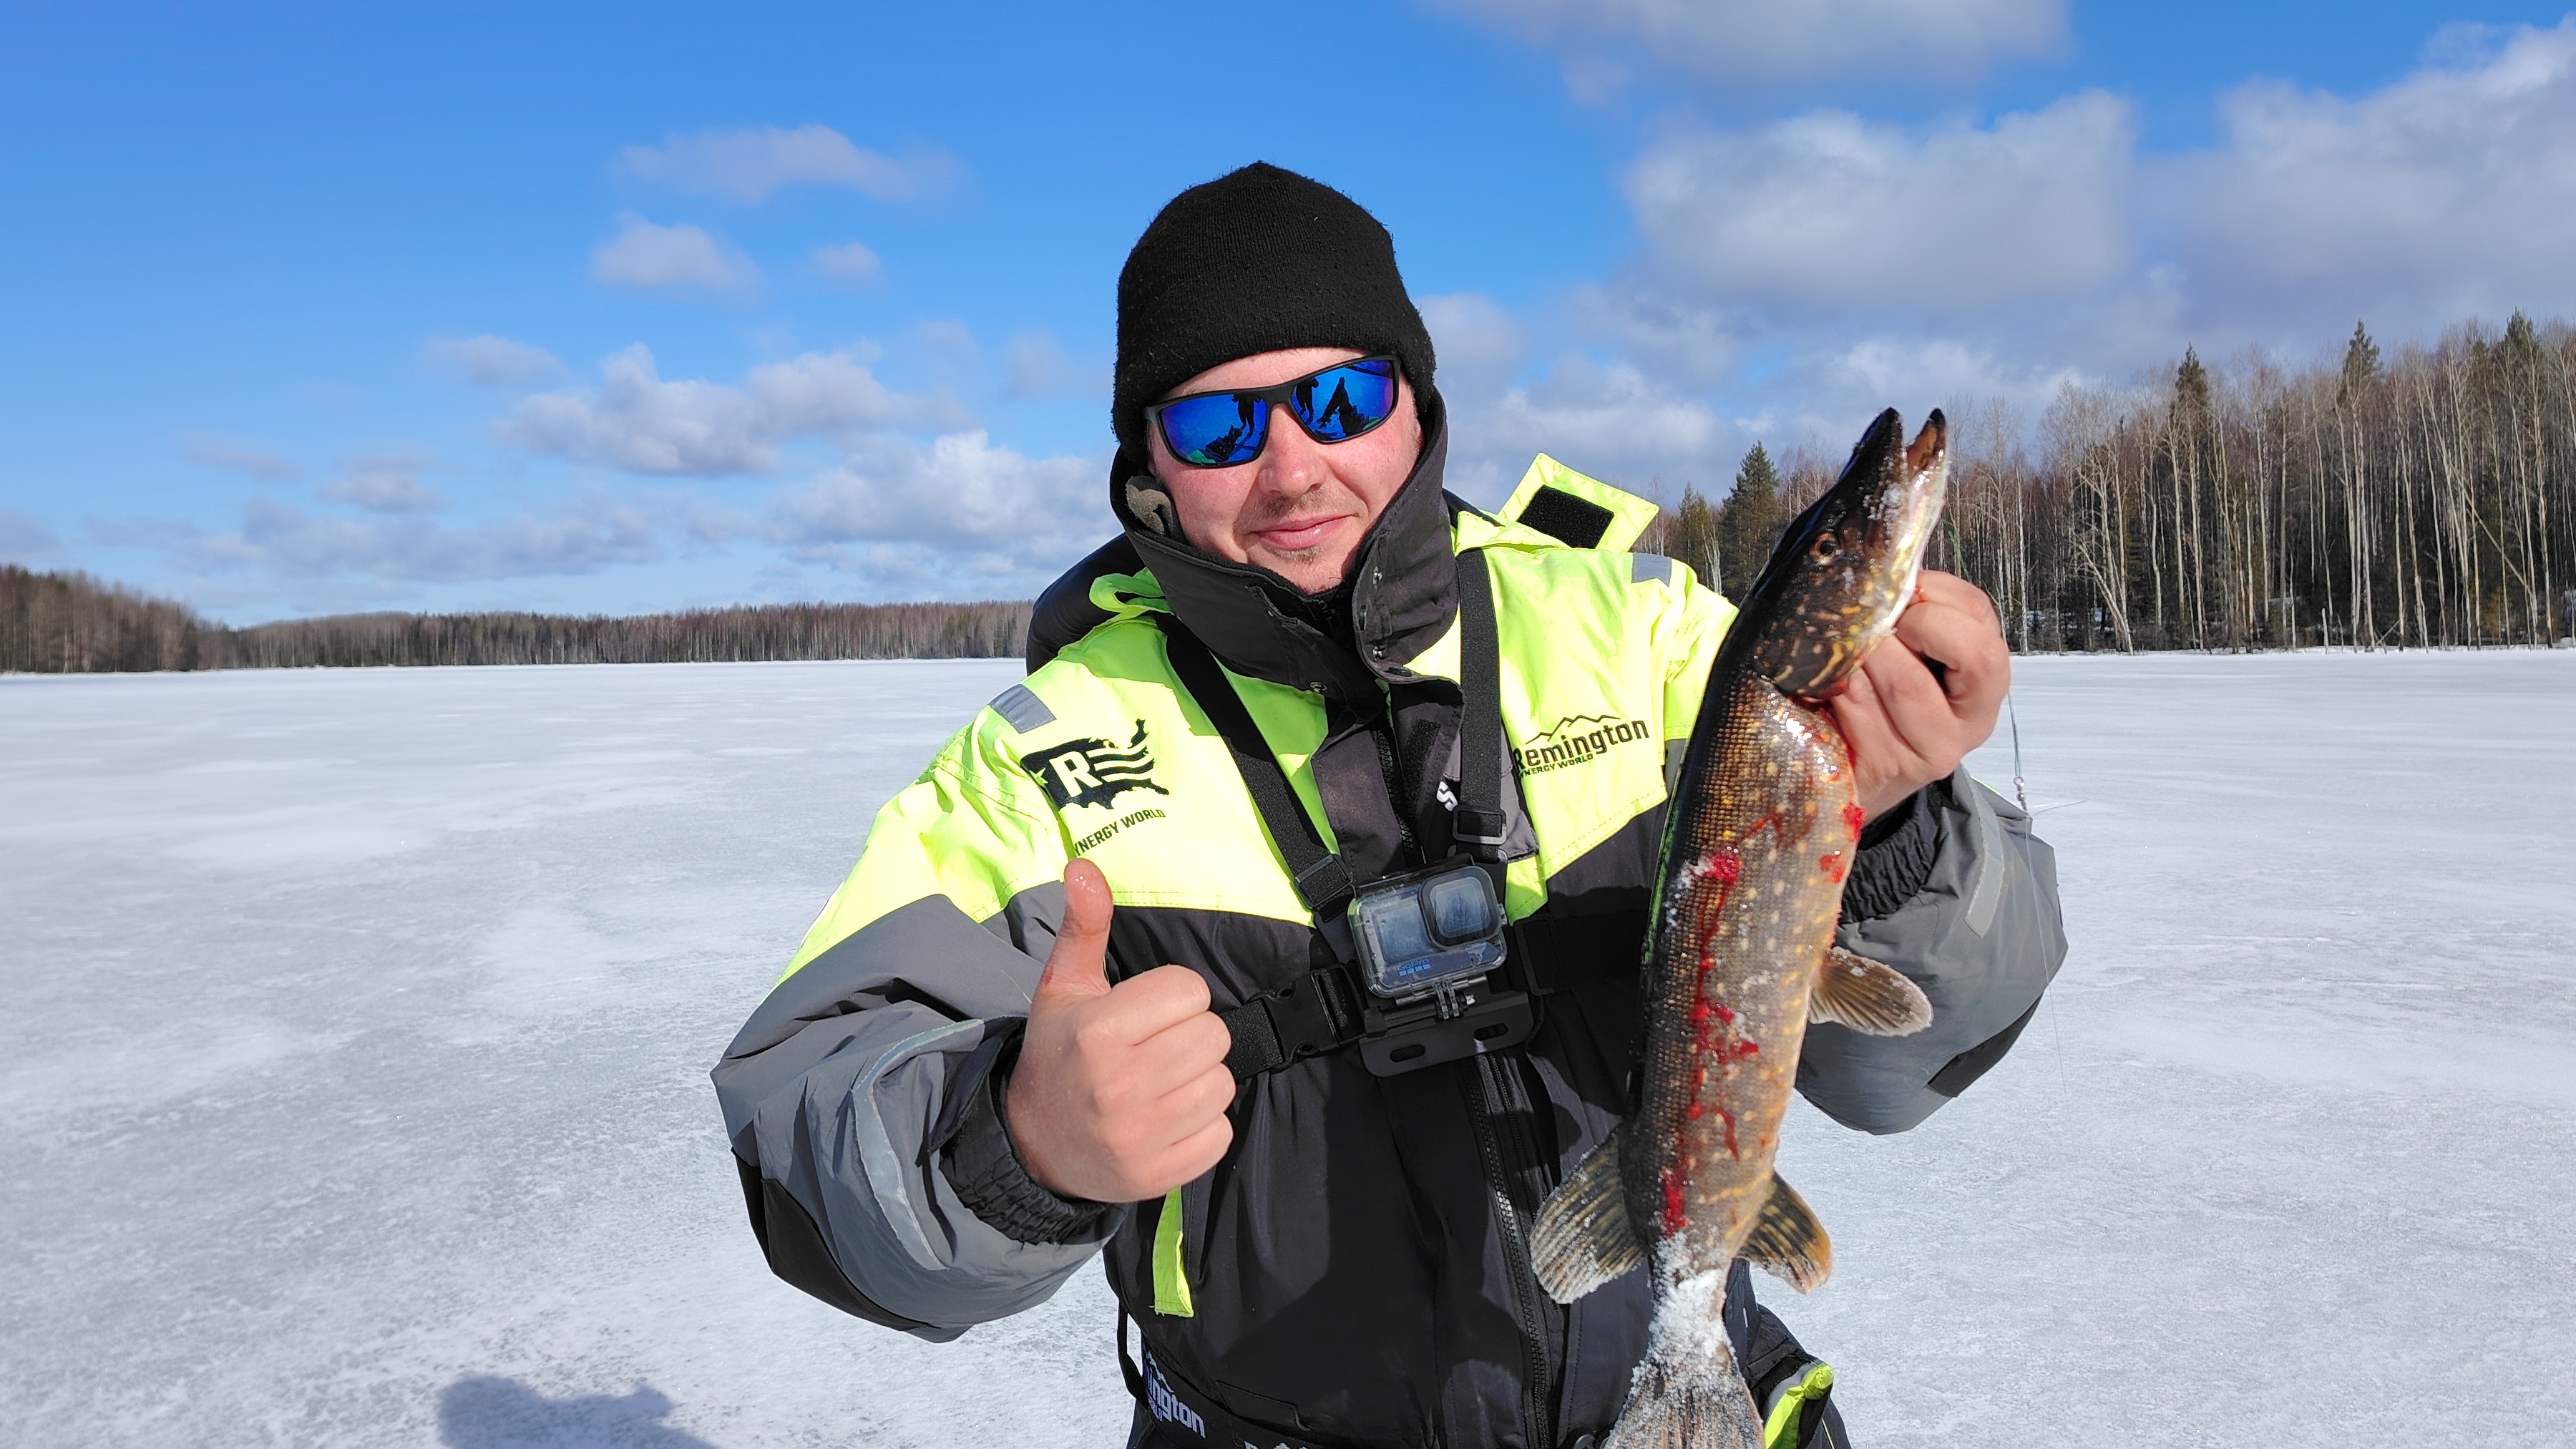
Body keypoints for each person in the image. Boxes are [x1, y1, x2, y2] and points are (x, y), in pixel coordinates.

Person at [712, 162, 2066, 1449]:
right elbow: (804, 1136)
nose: (1293, 467)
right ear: (1148, 463)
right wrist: (1015, 1146)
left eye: (1341, 399)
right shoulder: (1043, 756)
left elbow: (1914, 1063)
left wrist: (1887, 838)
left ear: (1417, 400)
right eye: (1220, 423)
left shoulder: (1644, 634)